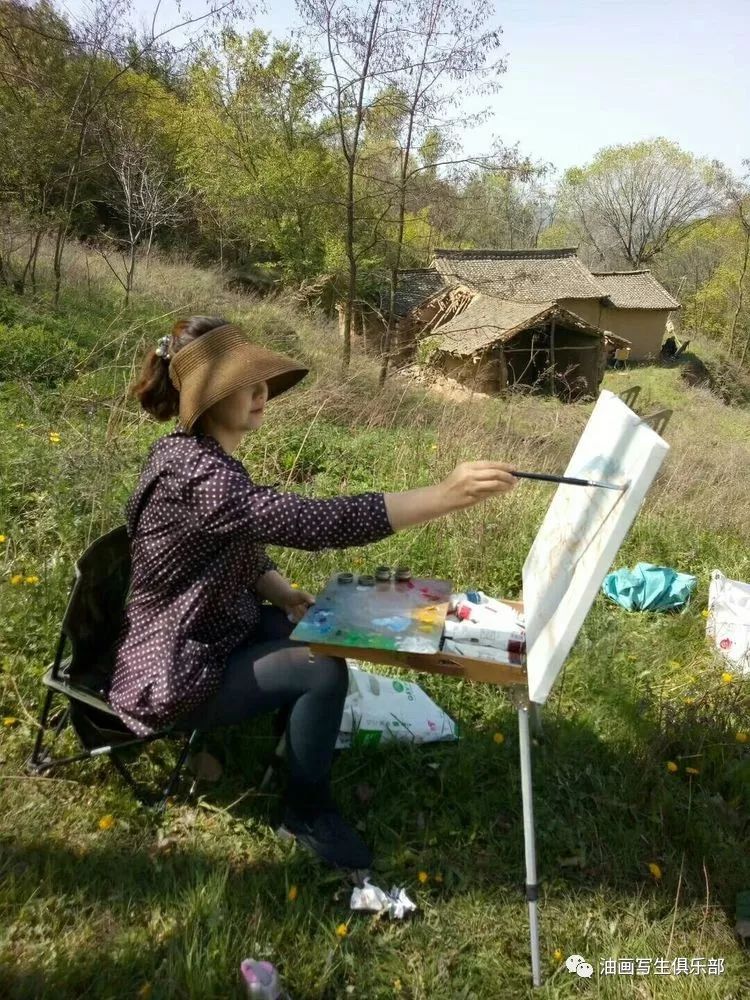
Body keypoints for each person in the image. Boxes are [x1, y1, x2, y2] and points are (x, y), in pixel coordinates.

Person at [109, 316, 518, 870]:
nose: (260, 394)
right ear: (207, 397)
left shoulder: (193, 457)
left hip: (210, 628)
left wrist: (281, 592)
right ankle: (303, 812)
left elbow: (235, 544)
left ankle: (294, 751)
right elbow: (312, 522)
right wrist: (442, 495)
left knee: (322, 626)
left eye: (261, 380)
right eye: (242, 385)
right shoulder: (199, 475)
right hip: (174, 666)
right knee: (320, 668)